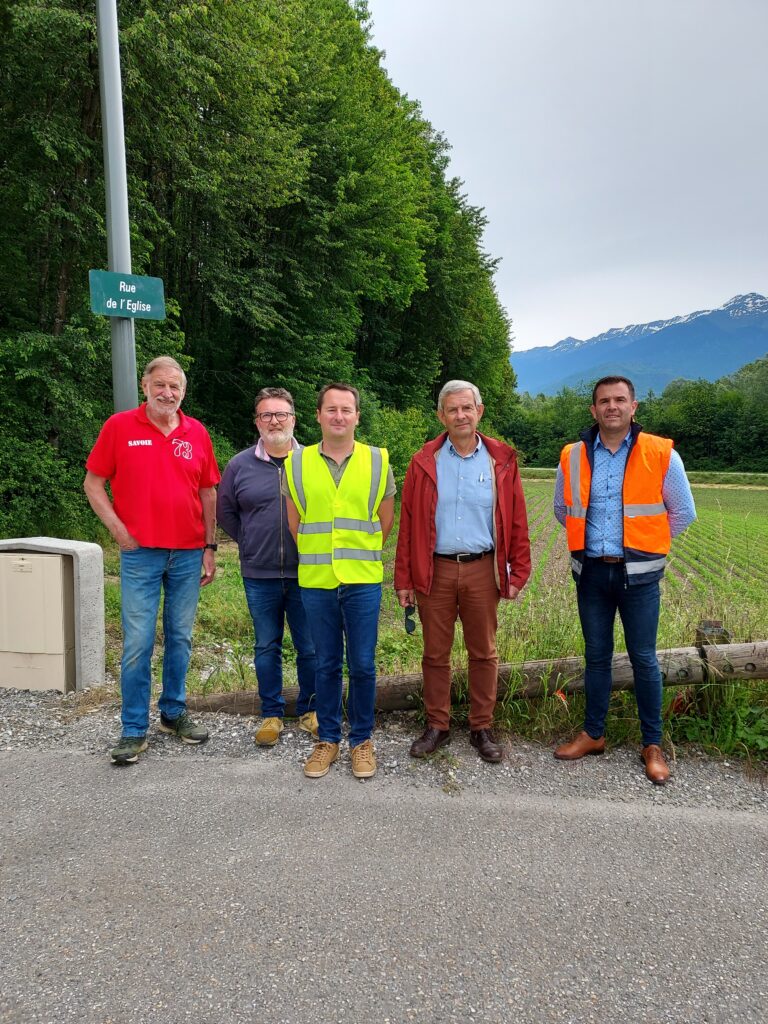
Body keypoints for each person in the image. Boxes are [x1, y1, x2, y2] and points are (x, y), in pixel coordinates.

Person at [553, 375, 696, 784]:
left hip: (641, 576)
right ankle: (593, 735)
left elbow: (683, 512)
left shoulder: (662, 453)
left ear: (634, 407)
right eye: (604, 401)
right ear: (593, 410)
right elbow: (563, 509)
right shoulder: (573, 454)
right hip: (593, 573)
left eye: (620, 400)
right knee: (596, 657)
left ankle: (652, 744)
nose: (611, 407)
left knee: (644, 660)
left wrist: (646, 546)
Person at [84, 356, 220, 765]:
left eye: (175, 387)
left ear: (184, 391)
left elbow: (208, 492)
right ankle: (132, 728)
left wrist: (210, 547)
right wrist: (117, 530)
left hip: (187, 552)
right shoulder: (120, 427)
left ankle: (173, 713)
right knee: (138, 642)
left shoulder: (197, 433)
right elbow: (93, 483)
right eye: (160, 385)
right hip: (139, 554)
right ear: (145, 386)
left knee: (180, 637)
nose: (167, 393)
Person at [394, 380, 531, 763]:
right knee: (435, 654)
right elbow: (408, 526)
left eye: (466, 408)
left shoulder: (500, 460)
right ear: (441, 416)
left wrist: (518, 571)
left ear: (479, 411)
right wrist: (403, 579)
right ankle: (437, 724)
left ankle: (481, 726)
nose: (460, 415)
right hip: (434, 570)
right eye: (452, 410)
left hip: (481, 570)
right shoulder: (424, 461)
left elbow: (516, 518)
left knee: (483, 653)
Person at [283, 383, 396, 779]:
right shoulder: (295, 463)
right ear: (318, 415)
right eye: (331, 410)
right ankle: (327, 739)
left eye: (346, 410)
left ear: (357, 416)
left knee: (363, 664)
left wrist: (355, 553)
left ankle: (361, 740)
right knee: (326, 664)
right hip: (316, 580)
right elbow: (295, 521)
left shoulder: (379, 461)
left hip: (363, 579)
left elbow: (385, 520)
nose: (339, 416)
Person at [217, 387, 317, 746]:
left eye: (281, 414)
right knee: (266, 646)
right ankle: (271, 713)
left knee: (310, 647)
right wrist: (250, 540)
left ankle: (310, 709)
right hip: (259, 574)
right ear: (256, 421)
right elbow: (225, 511)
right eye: (266, 415)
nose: (274, 421)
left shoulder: (313, 462)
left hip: (308, 571)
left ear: (294, 418)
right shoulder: (239, 464)